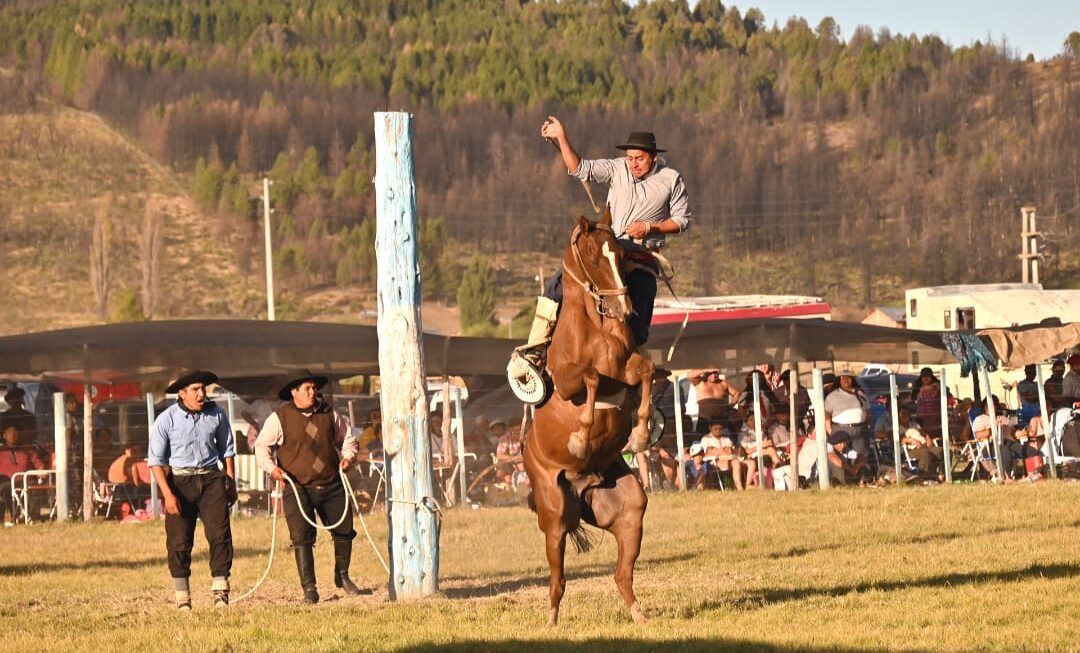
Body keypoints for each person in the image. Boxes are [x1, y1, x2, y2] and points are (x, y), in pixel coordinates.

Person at [507, 118, 692, 401]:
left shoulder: (671, 180)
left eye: (639, 158)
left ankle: (636, 359)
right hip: (610, 248)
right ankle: (535, 349)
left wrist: (650, 227)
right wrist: (562, 137)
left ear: (654, 157)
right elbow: (579, 168)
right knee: (559, 283)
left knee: (641, 296)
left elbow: (682, 221)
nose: (633, 163)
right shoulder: (617, 168)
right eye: (630, 158)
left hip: (641, 253)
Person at [254, 370, 361, 604]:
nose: (313, 392)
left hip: (332, 482)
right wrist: (272, 469)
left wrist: (348, 458)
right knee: (302, 537)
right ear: (294, 392)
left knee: (344, 530)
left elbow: (348, 439)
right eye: (307, 389)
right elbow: (261, 447)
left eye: (314, 388)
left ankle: (342, 575)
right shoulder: (279, 418)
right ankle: (309, 589)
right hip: (297, 486)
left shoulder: (329, 413)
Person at [148, 370, 236, 610]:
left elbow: (227, 450)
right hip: (180, 482)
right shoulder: (167, 419)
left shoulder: (216, 414)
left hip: (211, 480)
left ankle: (220, 591)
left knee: (219, 535)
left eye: (203, 389)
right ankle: (182, 597)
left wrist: (231, 482)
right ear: (182, 393)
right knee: (179, 541)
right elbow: (155, 461)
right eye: (195, 389)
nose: (201, 394)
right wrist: (168, 495)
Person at [0, 423, 46, 523]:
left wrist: (40, 472)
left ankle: (34, 517)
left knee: (33, 486)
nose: (12, 434)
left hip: (25, 480)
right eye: (9, 432)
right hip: (6, 482)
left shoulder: (28, 449)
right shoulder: (1, 451)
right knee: (6, 488)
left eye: (15, 432)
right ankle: (14, 516)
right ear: (4, 436)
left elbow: (39, 465)